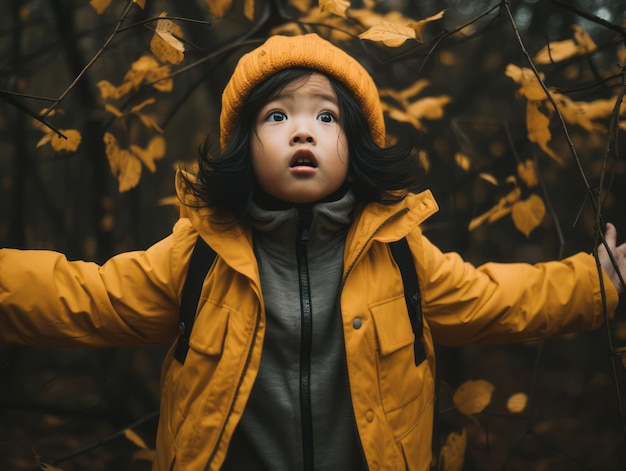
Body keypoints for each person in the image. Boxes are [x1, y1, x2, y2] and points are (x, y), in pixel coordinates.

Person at [0, 33, 624, 471]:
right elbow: (82, 295)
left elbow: (496, 298)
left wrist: (595, 284)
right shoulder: (198, 256)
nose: (302, 129)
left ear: (357, 146)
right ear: (244, 146)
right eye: (276, 116)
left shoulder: (399, 253)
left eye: (326, 118)